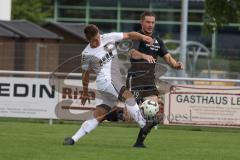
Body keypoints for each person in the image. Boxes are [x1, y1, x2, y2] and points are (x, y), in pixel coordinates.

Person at [63, 24, 154, 145]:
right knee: (128, 96)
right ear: (87, 40)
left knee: (99, 114)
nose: (96, 42)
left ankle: (73, 139)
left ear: (99, 34)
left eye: (97, 39)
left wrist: (143, 37)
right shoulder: (86, 54)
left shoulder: (108, 37)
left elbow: (129, 35)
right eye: (93, 41)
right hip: (106, 81)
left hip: (111, 83)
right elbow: (85, 74)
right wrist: (85, 92)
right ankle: (144, 124)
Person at [127, 11, 184, 148]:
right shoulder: (137, 37)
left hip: (149, 81)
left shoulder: (157, 41)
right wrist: (144, 56)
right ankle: (113, 114)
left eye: (152, 22)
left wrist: (176, 64)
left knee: (155, 116)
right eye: (147, 22)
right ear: (142, 22)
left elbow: (168, 57)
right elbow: (132, 53)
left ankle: (139, 142)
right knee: (127, 112)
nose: (150, 25)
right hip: (135, 80)